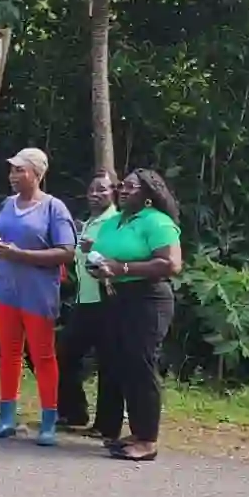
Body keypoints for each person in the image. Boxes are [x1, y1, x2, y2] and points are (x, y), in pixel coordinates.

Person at [89, 169, 184, 462]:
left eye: (132, 186)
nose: (124, 190)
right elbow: (106, 256)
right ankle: (137, 431)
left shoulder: (157, 221)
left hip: (148, 299)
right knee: (123, 364)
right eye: (122, 186)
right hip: (117, 298)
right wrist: (101, 268)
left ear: (147, 195)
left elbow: (171, 264)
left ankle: (148, 440)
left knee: (141, 365)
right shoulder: (115, 222)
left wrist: (124, 269)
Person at [0, 147, 76, 444]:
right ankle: (7, 417)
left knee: (42, 356)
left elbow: (67, 251)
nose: (13, 176)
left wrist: (20, 254)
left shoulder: (54, 208)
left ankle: (49, 421)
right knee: (9, 354)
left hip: (38, 294)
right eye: (12, 170)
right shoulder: (7, 204)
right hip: (5, 290)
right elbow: (3, 237)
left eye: (20, 170)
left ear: (37, 174)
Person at [58, 171, 119, 431]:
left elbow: (119, 256)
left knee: (110, 364)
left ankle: (107, 425)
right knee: (65, 354)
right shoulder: (90, 222)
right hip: (85, 300)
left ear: (114, 192)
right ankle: (74, 413)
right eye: (92, 190)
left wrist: (96, 248)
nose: (95, 194)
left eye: (102, 190)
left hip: (109, 302)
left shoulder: (116, 220)